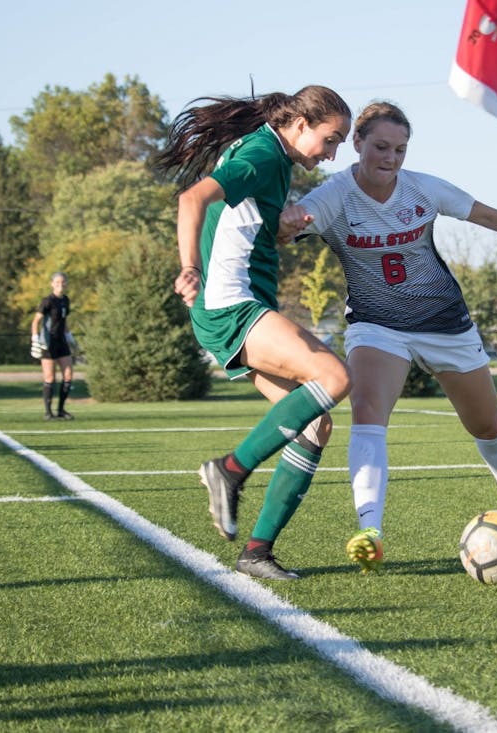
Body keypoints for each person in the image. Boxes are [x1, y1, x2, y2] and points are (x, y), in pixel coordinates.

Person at [279, 101, 497, 573]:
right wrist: (282, 220)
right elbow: (292, 221)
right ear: (357, 144)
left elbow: (487, 217)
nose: (390, 157)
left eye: (400, 149)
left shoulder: (423, 189)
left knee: (486, 425)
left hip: (445, 323)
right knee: (367, 413)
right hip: (376, 324)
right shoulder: (334, 195)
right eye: (381, 146)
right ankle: (370, 529)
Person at [155, 85, 353, 581]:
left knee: (316, 424)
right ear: (301, 124)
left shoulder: (272, 153)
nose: (331, 153)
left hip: (241, 303)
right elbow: (193, 198)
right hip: (231, 303)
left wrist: (281, 227)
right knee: (333, 377)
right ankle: (230, 470)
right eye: (330, 140)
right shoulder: (265, 154)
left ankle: (257, 553)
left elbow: (242, 222)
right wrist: (188, 267)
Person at [31, 272, 76, 421]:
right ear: (52, 284)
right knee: (50, 377)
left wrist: (70, 337)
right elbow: (36, 321)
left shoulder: (66, 301)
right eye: (57, 282)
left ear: (66, 283)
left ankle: (61, 410)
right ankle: (48, 412)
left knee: (68, 375)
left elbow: (64, 322)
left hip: (61, 341)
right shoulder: (47, 301)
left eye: (63, 282)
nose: (60, 284)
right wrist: (35, 338)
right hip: (48, 342)